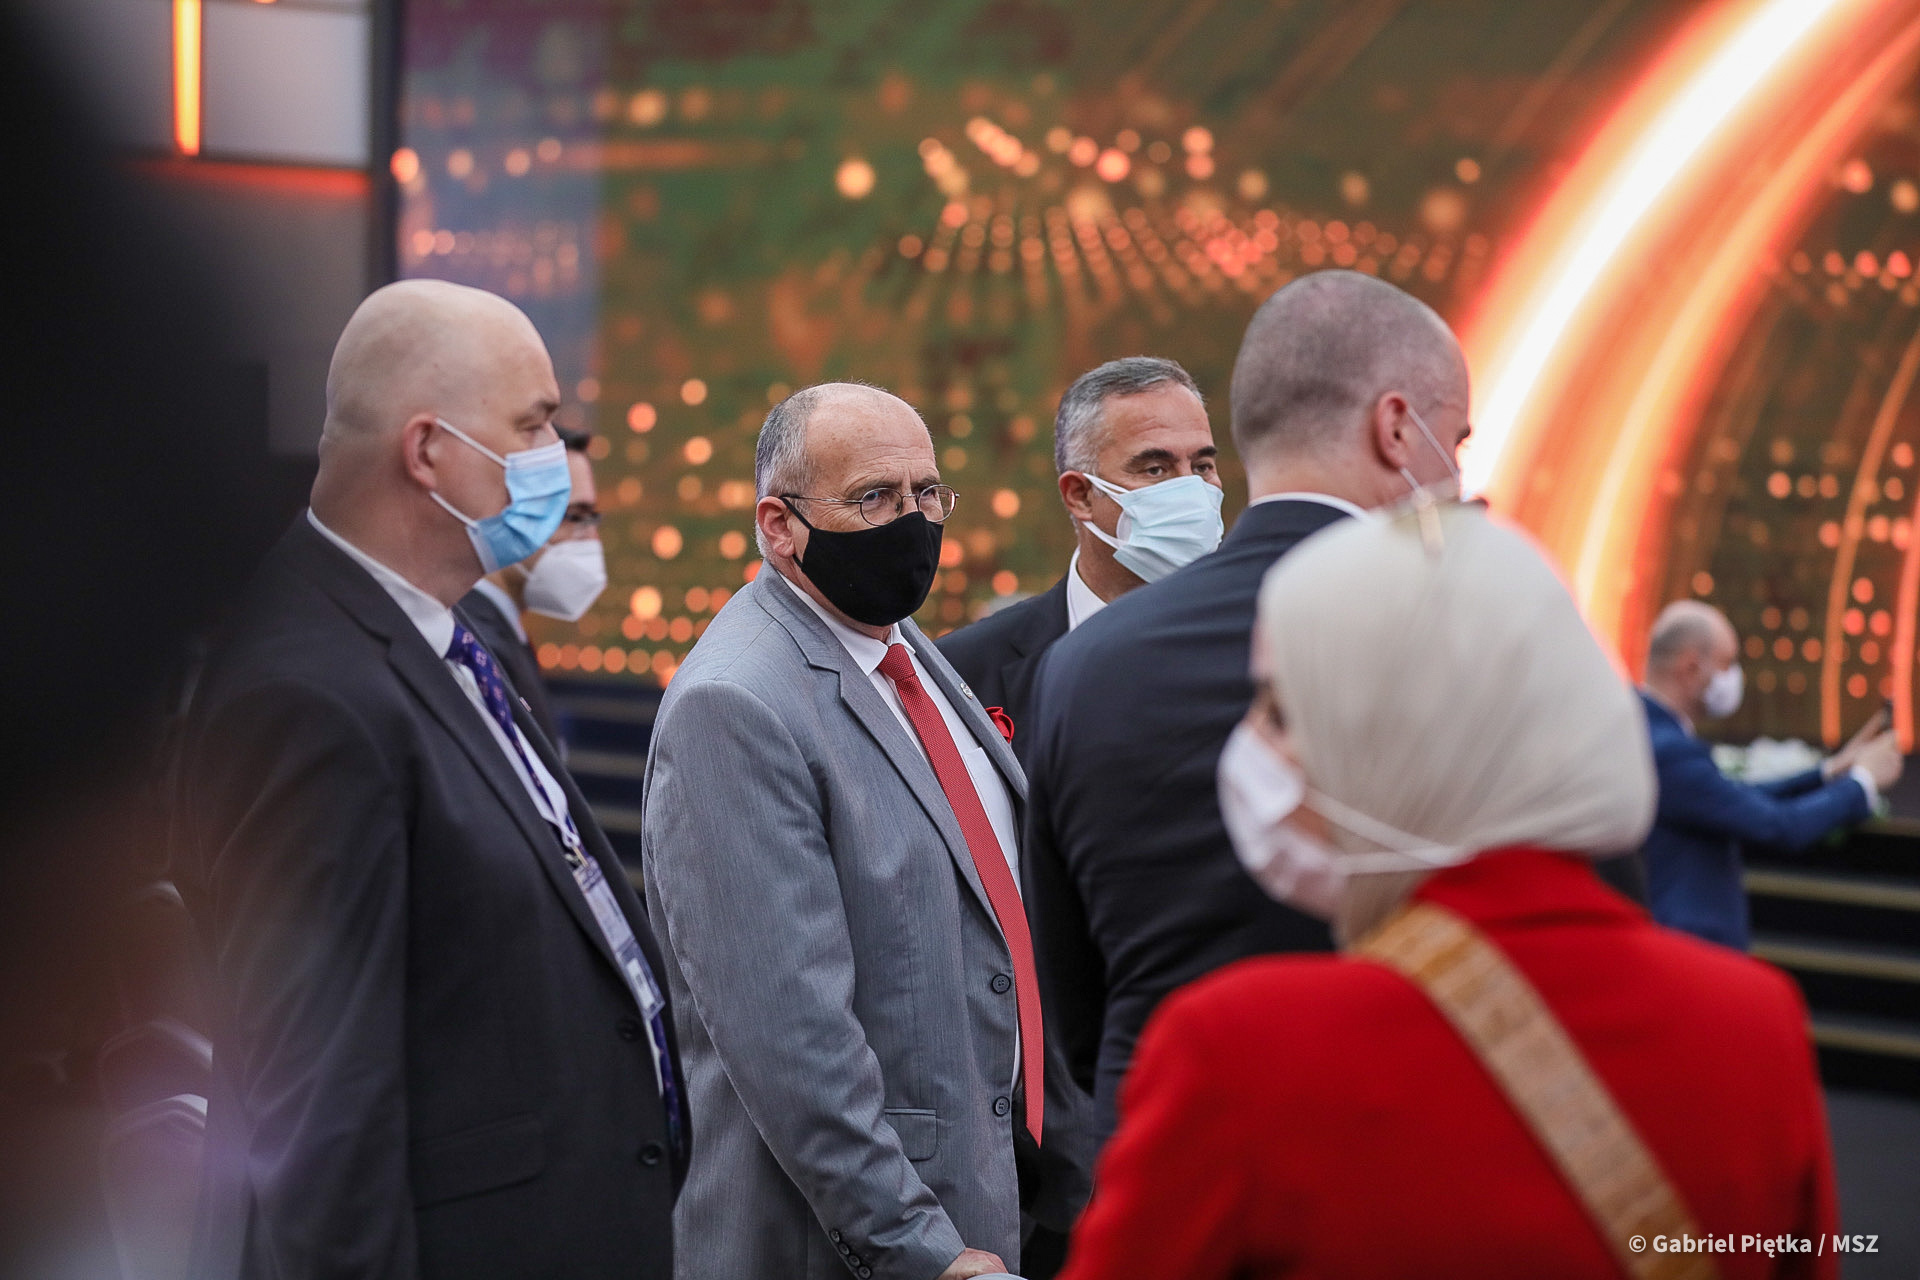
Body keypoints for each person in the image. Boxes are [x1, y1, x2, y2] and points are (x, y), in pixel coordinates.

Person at [1059, 505, 1839, 1280]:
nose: (1254, 748)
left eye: (1284, 711)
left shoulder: (1237, 1052)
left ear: (1388, 744)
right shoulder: (1756, 1023)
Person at [173, 280, 687, 1280]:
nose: (555, 453)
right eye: (532, 423)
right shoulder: (305, 692)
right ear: (427, 452)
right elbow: (324, 1124)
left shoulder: (445, 630)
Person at [641, 382, 1093, 1280]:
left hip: (1001, 1198)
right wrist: (923, 1251)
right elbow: (794, 1045)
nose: (912, 522)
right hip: (865, 1245)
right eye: (874, 498)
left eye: (927, 493)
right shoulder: (732, 707)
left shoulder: (900, 644)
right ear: (779, 526)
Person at [1022, 269, 1471, 1136]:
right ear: (1396, 428)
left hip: (1158, 1141)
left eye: (1196, 464)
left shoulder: (1080, 665)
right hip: (1391, 1133)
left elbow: (1069, 995)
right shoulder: (1469, 625)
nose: (1458, 470)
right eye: (1457, 438)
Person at [937, 357, 1221, 761]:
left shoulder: (1269, 644)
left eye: (1203, 466)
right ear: (1080, 496)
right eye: (1156, 469)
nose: (1192, 490)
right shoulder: (963, 670)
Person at [1638, 599, 1901, 949]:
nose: (1734, 677)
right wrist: (1864, 781)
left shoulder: (1645, 732)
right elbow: (1778, 826)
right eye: (1727, 663)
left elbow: (1733, 797)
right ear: (1690, 667)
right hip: (1690, 948)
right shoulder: (1670, 752)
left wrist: (1828, 772)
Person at [461, 424, 607, 745]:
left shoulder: (505, 635)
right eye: (575, 516)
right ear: (507, 510)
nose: (591, 538)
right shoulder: (475, 648)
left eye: (592, 518)